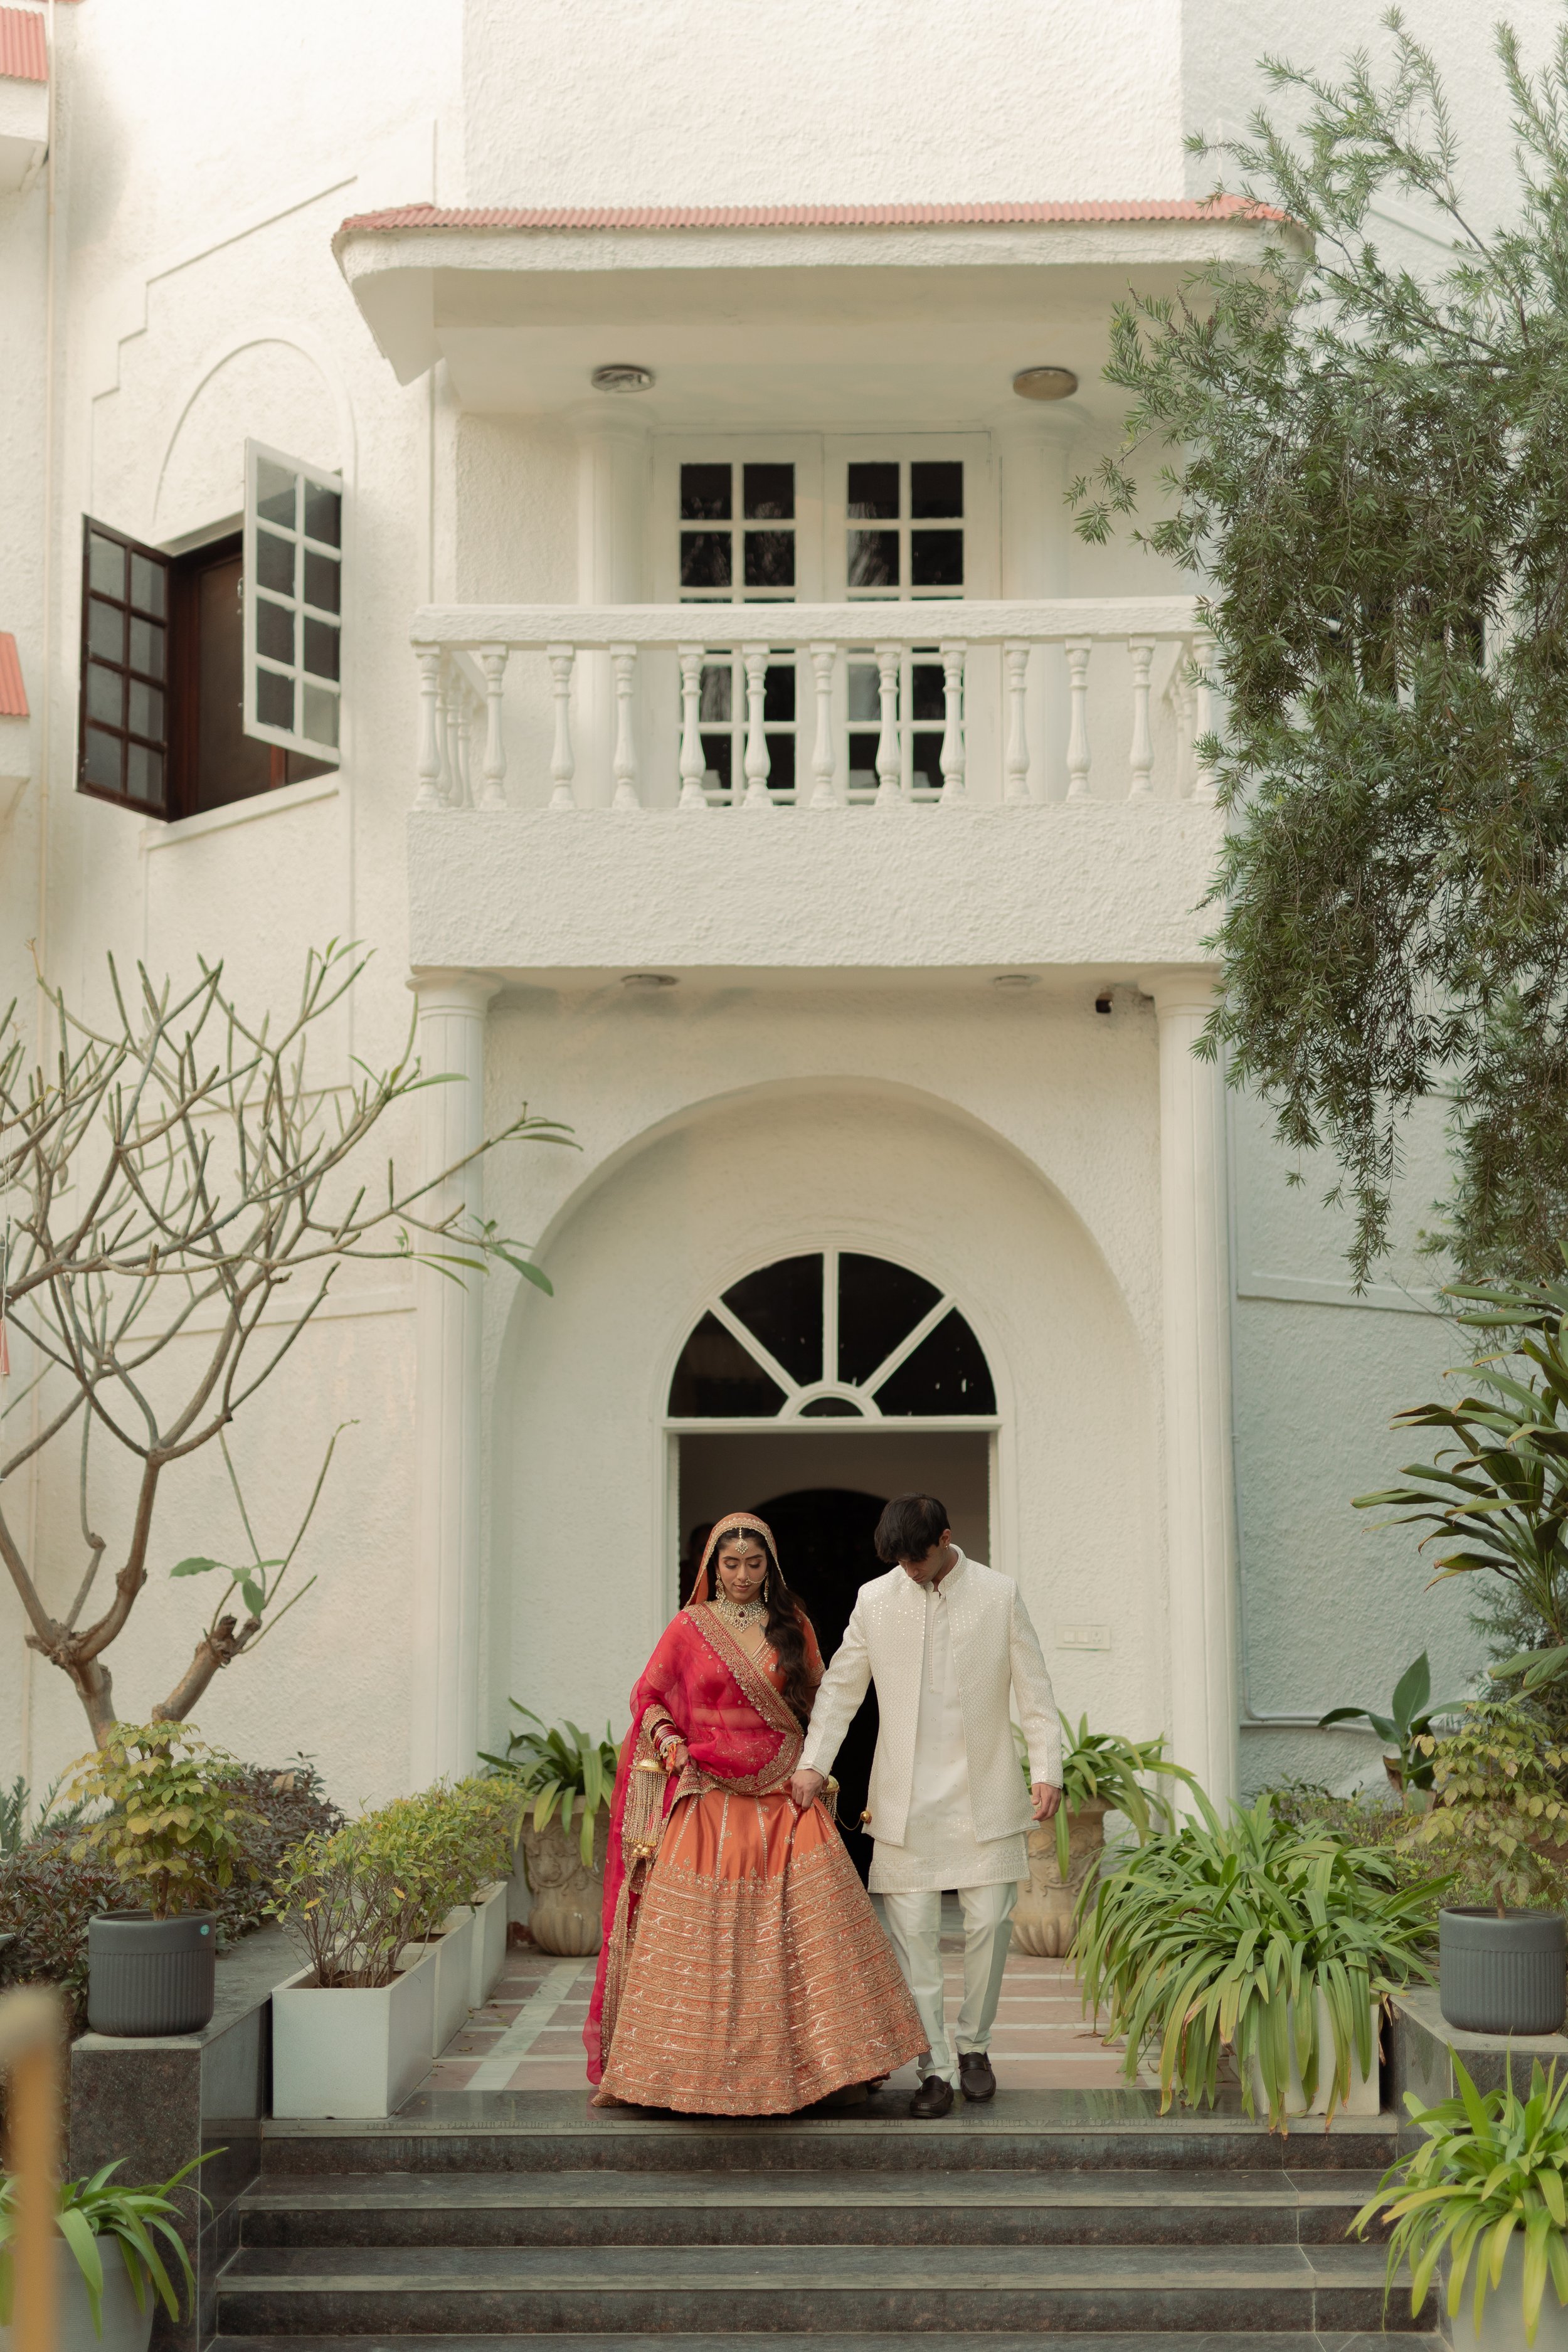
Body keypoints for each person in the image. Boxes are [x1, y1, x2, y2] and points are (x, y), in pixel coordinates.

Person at [584, 1510, 926, 2114]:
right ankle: (670, 2075)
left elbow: (827, 1700)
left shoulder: (792, 1625)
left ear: (771, 1567)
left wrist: (813, 1766)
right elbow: (649, 1695)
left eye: (754, 1563)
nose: (742, 1575)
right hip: (709, 1796)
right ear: (712, 1568)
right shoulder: (691, 1626)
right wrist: (669, 1744)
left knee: (815, 1936)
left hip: (785, 1794)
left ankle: (833, 2070)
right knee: (698, 1941)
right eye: (731, 1564)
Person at [791, 1493, 1062, 2119]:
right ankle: (935, 2065)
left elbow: (1035, 1689)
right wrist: (813, 1763)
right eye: (900, 1562)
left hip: (985, 1791)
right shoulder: (875, 1599)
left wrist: (1046, 1768)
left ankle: (975, 2048)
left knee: (990, 1925)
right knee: (913, 1937)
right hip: (906, 1800)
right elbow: (839, 1689)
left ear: (944, 1537)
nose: (910, 1571)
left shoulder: (997, 1594)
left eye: (918, 1558)